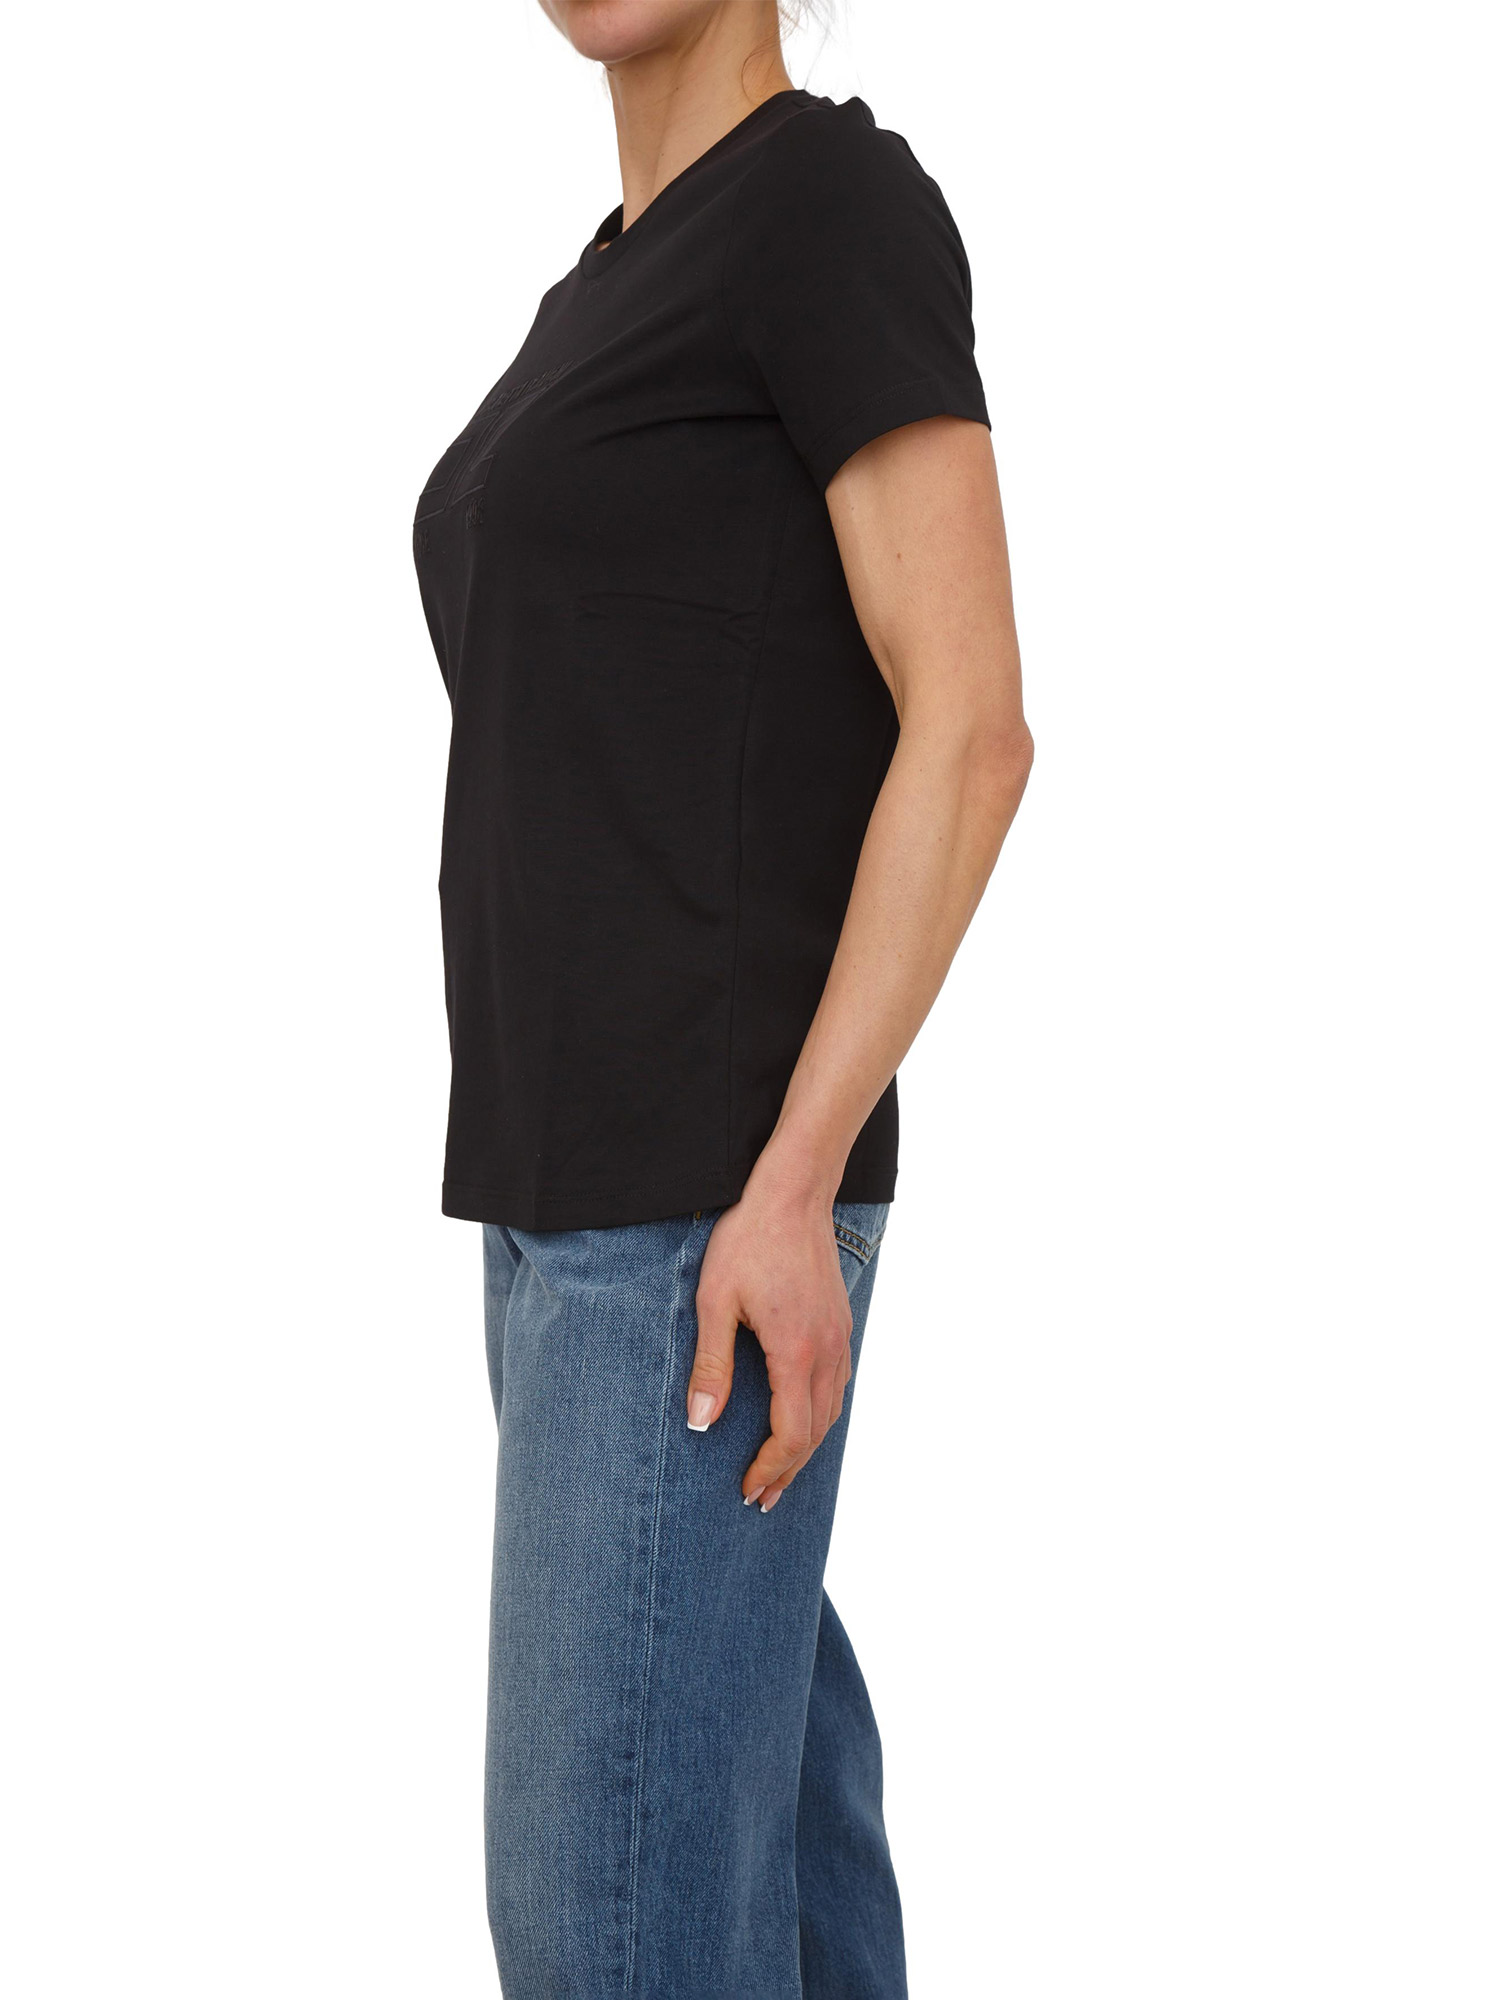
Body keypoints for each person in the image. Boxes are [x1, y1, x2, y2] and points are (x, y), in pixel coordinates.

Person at [412, 1, 1032, 1991]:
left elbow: (972, 724)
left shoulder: (825, 200)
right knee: (756, 1884)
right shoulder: (606, 286)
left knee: (610, 1933)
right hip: (567, 1209)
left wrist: (793, 1179)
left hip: (700, 1222)